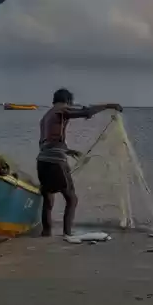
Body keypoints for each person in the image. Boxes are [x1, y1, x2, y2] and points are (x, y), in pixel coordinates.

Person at [36, 88, 122, 237]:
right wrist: (109, 105)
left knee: (48, 197)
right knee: (72, 198)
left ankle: (46, 232)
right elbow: (86, 112)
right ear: (68, 101)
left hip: (42, 161)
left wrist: (68, 151)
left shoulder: (45, 117)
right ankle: (67, 234)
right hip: (56, 162)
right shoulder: (61, 109)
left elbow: (47, 142)